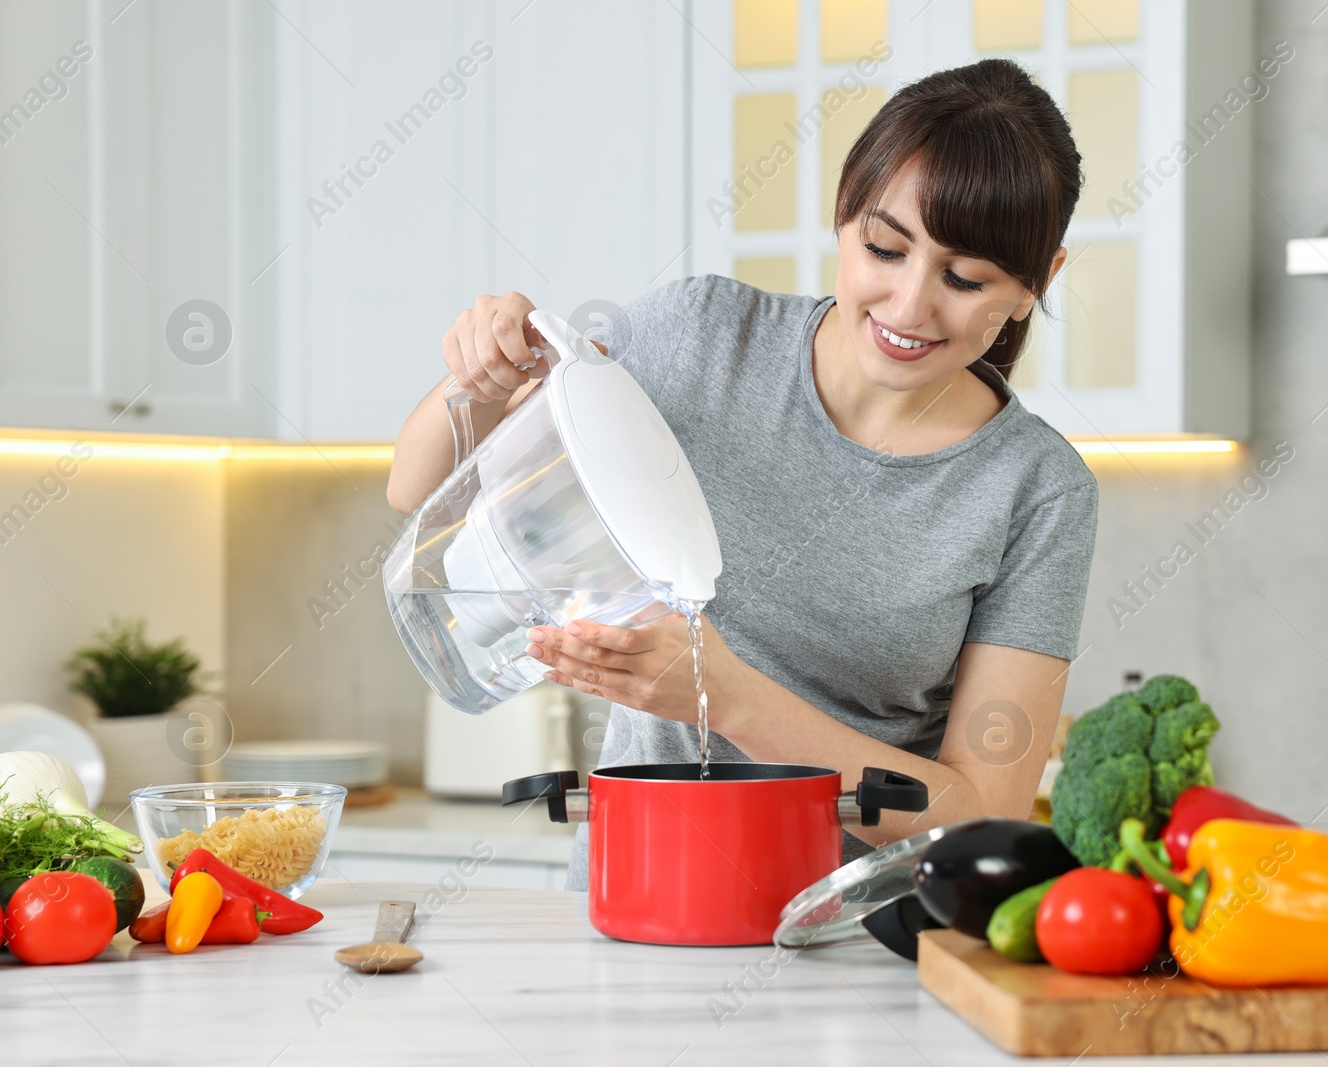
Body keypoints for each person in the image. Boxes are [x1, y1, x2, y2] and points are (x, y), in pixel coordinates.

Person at [387, 58, 1097, 889]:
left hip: (856, 943)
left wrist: (730, 700)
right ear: (842, 215)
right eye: (884, 248)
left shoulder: (1037, 490)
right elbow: (416, 490)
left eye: (964, 277)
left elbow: (985, 813)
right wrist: (477, 376)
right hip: (636, 899)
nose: (908, 306)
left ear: (1034, 285)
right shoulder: (698, 337)